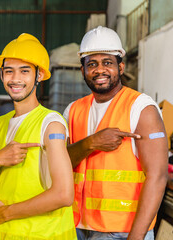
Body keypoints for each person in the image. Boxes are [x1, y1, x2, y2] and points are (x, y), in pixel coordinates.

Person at [63, 26, 168, 240]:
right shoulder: (72, 110)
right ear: (82, 70)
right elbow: (62, 164)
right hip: (75, 227)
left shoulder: (141, 108)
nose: (100, 70)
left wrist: (136, 237)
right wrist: (91, 143)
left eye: (107, 63)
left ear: (120, 67)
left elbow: (157, 177)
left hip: (122, 231)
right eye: (92, 64)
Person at [0, 33, 77, 239]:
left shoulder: (52, 124)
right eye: (9, 71)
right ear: (1, 75)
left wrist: (4, 213)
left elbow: (64, 194)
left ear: (39, 75)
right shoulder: (0, 123)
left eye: (24, 71)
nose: (15, 79)